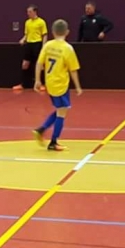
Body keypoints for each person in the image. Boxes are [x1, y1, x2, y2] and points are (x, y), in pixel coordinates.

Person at [32, 19, 82, 152]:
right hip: (61, 84)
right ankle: (53, 141)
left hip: (50, 83)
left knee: (61, 109)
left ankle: (41, 130)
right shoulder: (67, 48)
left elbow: (39, 63)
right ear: (67, 32)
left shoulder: (47, 45)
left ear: (53, 32)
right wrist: (77, 86)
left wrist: (37, 80)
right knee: (62, 113)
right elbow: (73, 70)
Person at [13, 5, 48, 92]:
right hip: (29, 44)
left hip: (37, 44)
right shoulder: (27, 22)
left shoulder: (41, 22)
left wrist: (43, 46)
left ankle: (42, 84)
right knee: (25, 64)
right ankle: (23, 84)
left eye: (30, 12)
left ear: (35, 12)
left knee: (40, 65)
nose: (28, 13)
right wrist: (23, 39)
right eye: (27, 12)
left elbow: (44, 35)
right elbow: (26, 34)